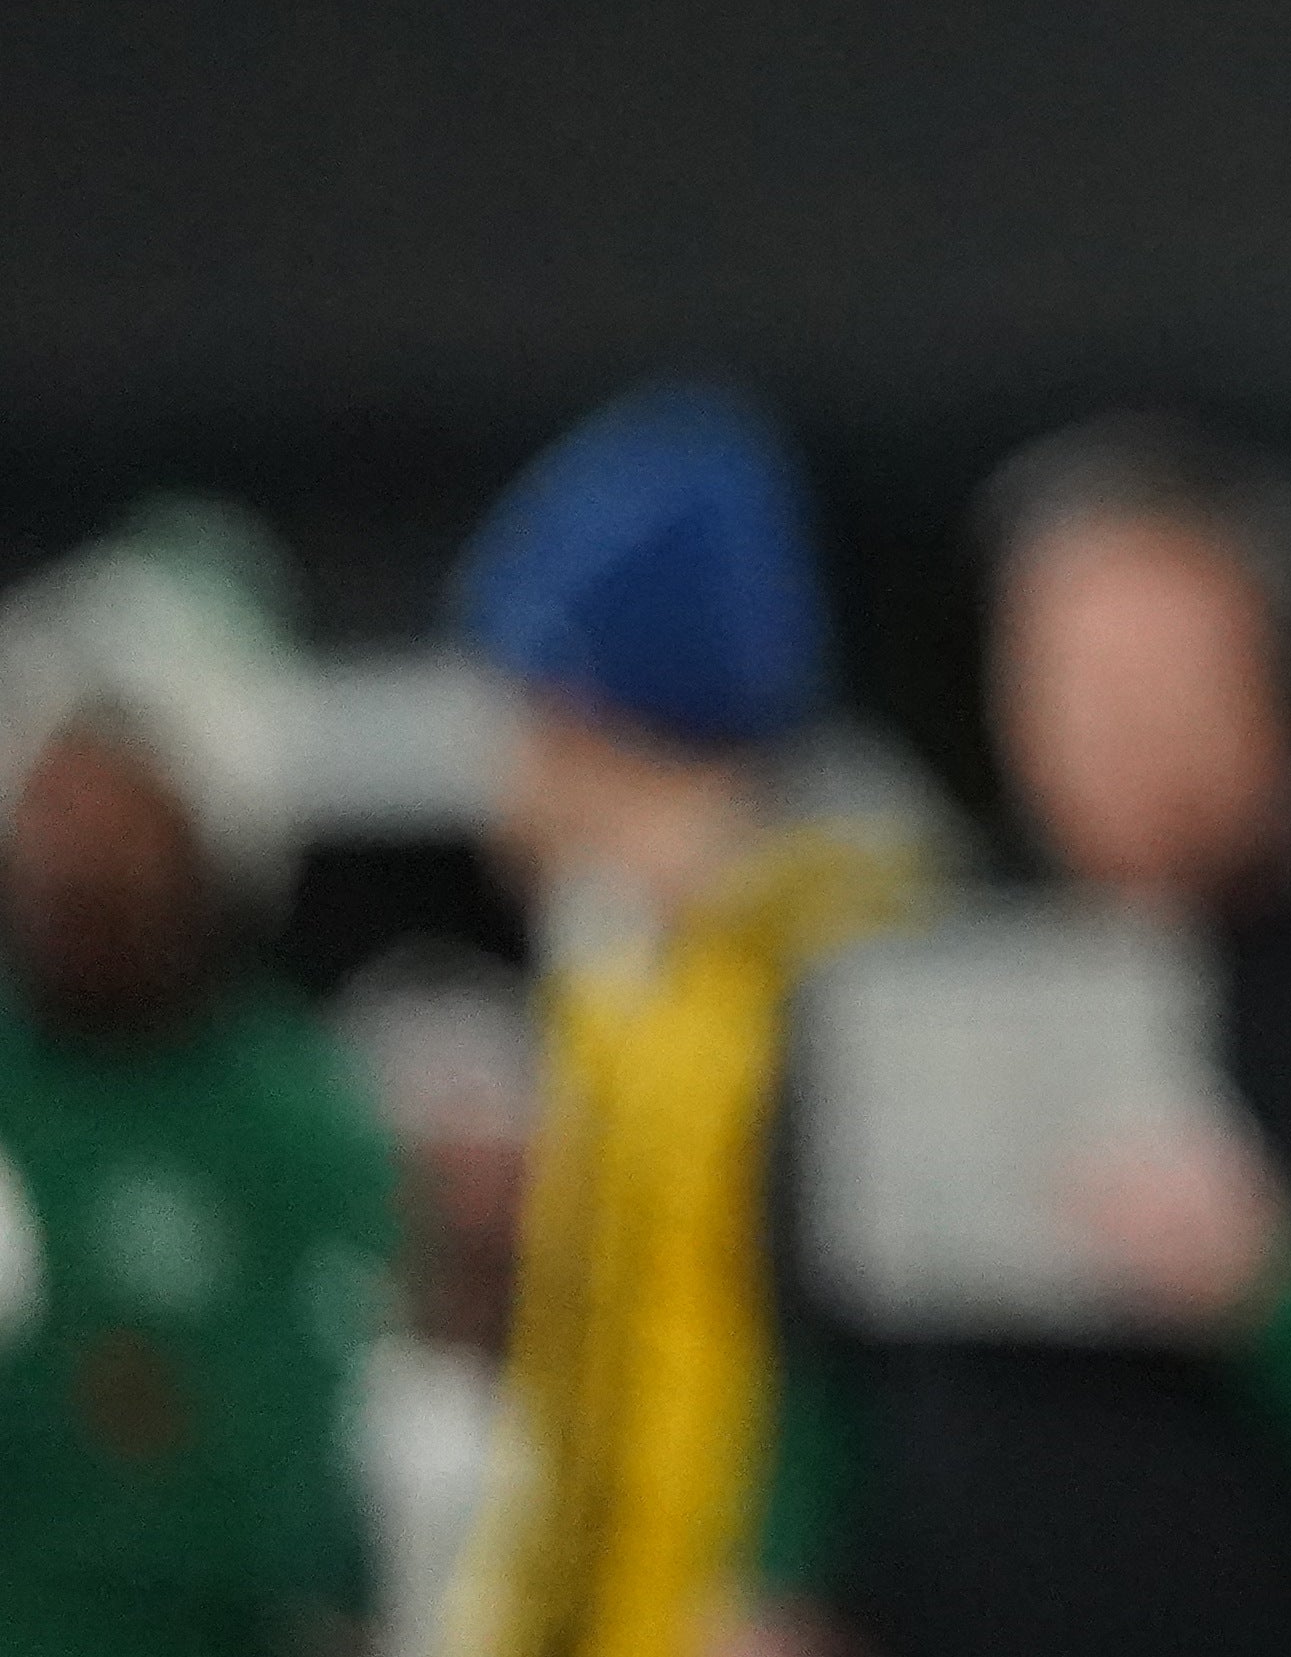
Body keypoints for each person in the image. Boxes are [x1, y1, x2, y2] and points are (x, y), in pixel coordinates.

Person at [782, 419, 1291, 1657]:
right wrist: (775, 1591)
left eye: (1161, 683)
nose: (1107, 733)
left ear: (1290, 685)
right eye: (1062, 678)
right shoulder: (927, 966)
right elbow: (819, 1367)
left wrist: (1278, 1289)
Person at [437, 381, 928, 1657]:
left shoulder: (843, 978)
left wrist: (786, 1587)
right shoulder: (628, 991)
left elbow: (858, 1374)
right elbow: (577, 1397)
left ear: (584, 702)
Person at [0, 510, 406, 1657]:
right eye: (51, 798)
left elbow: (301, 1500)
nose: (66, 854)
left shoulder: (301, 1125)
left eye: (118, 813)